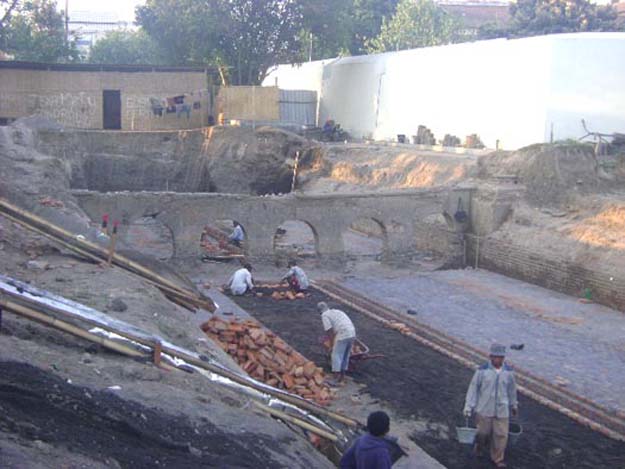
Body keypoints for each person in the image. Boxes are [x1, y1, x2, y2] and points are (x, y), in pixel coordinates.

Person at [463, 343, 518, 468]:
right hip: (484, 409)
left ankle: (498, 458)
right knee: (483, 433)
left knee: (501, 434)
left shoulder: (509, 372)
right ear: (491, 357)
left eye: (501, 357)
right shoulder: (482, 371)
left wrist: (514, 405)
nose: (499, 360)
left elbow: (512, 390)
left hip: (502, 409)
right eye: (496, 357)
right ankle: (479, 447)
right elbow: (473, 389)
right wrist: (468, 406)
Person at [318, 302, 356, 384]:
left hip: (343, 333)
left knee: (336, 355)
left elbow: (329, 331)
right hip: (352, 333)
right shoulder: (337, 311)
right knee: (345, 355)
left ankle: (335, 379)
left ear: (320, 311)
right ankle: (342, 377)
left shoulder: (324, 315)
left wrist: (331, 345)